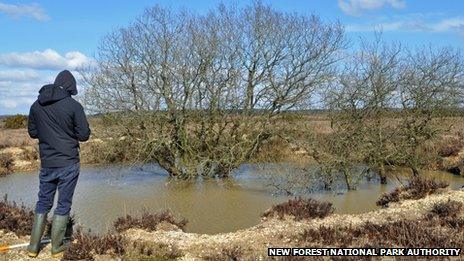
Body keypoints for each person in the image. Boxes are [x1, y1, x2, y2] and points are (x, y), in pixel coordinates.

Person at [26, 70, 91, 258]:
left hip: (47, 163)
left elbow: (32, 132)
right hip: (69, 163)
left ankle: (33, 247)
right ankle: (56, 247)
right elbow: (84, 135)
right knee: (63, 204)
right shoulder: (74, 106)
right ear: (71, 88)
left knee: (43, 202)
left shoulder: (36, 105)